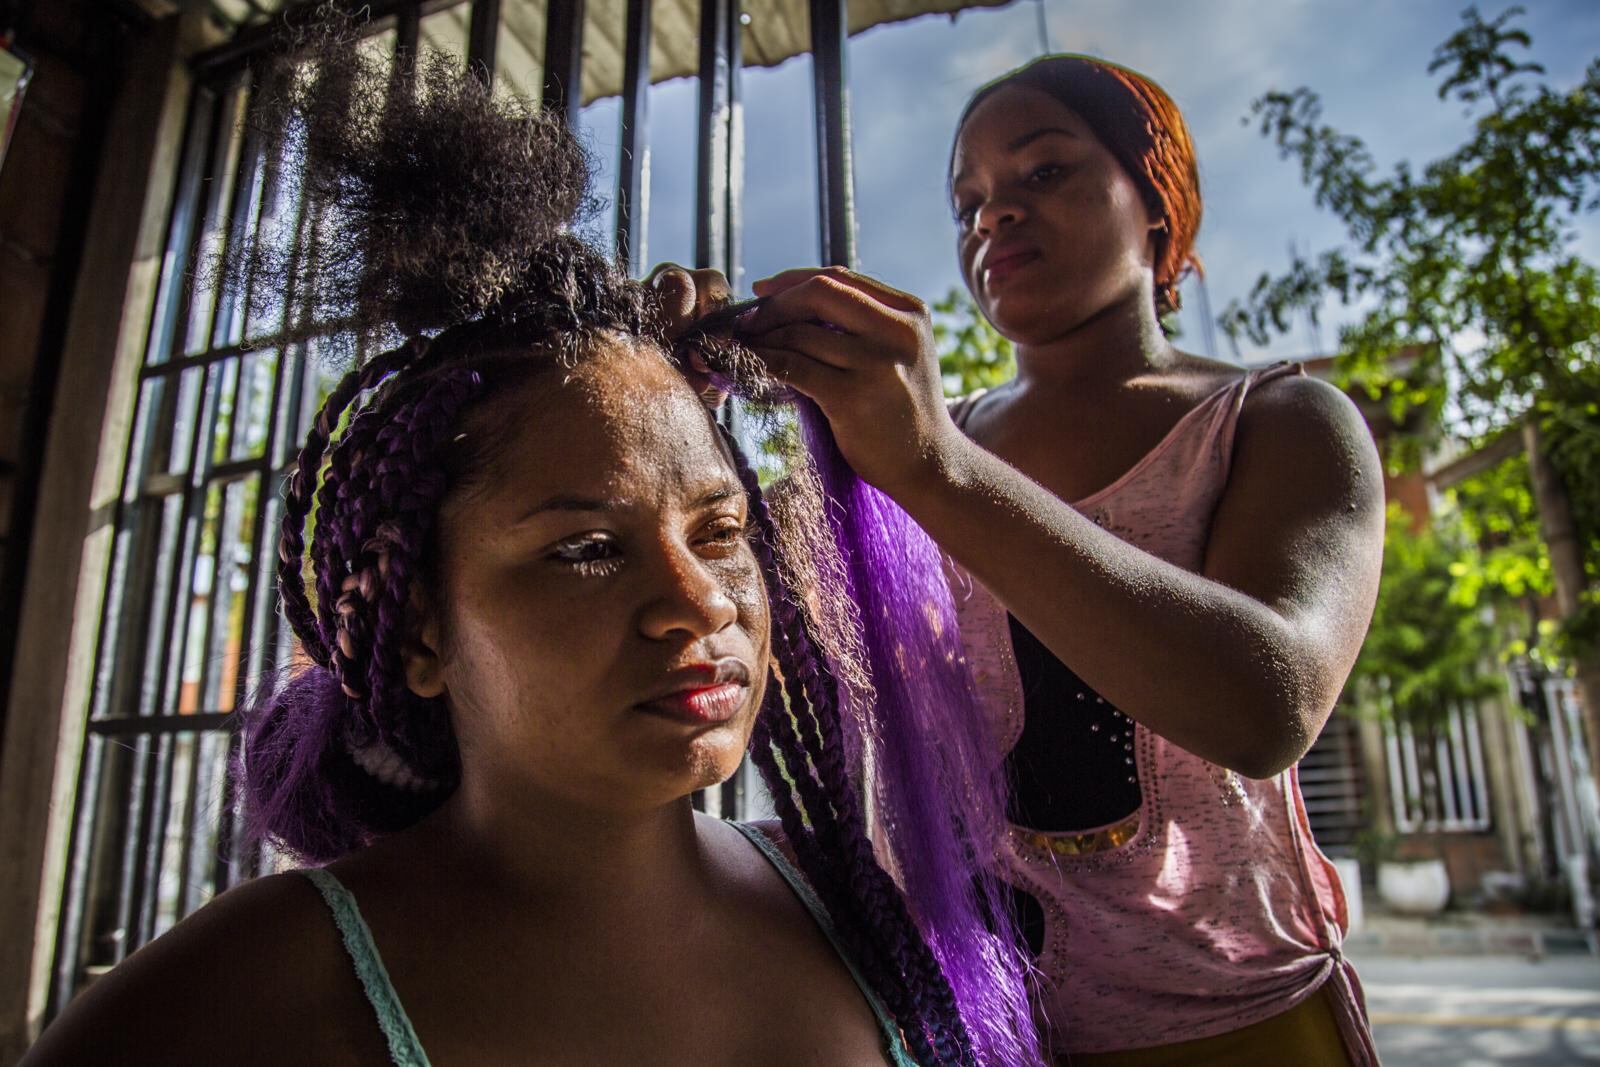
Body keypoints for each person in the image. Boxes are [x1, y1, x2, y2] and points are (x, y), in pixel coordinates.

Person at [21, 28, 983, 1067]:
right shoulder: (247, 997)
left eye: (719, 531)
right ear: (422, 627)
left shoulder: (850, 903)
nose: (699, 601)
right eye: (584, 548)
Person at [674, 54, 1386, 1065]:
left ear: (1153, 197)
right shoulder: (901, 448)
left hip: (1230, 1028)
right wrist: (680, 404)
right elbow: (724, 603)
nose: (992, 217)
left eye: (1042, 173)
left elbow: (1265, 705)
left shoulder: (1275, 421)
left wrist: (942, 470)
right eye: (969, 200)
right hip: (959, 1030)